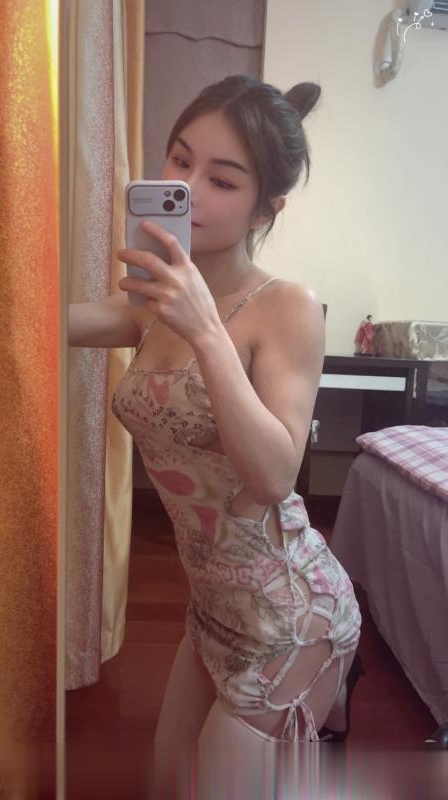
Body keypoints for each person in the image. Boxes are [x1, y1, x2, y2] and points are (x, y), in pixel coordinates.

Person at [69, 74, 363, 794]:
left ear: (267, 207)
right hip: (211, 611)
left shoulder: (287, 307)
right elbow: (44, 323)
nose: (187, 187)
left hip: (293, 614)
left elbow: (274, 476)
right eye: (179, 159)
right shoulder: (149, 305)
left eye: (222, 180)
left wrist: (205, 329)